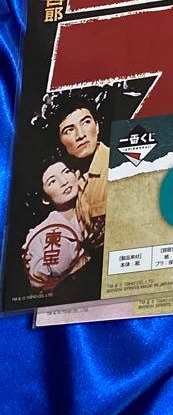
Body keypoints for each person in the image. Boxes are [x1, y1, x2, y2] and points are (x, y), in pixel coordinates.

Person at [51, 92, 110, 250]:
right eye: (68, 130)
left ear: (97, 126)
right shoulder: (71, 182)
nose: (81, 135)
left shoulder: (116, 168)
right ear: (60, 142)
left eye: (86, 122)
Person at [22, 159, 89, 292]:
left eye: (66, 172)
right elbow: (42, 280)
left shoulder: (90, 205)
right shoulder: (42, 233)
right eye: (52, 181)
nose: (64, 182)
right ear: (45, 199)